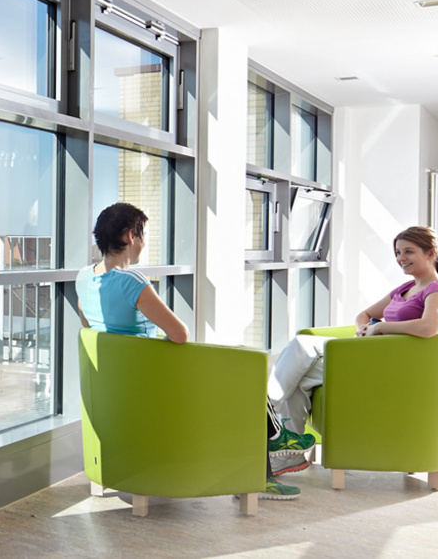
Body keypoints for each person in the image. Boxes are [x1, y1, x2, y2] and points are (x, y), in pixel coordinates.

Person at [76, 202, 311, 500]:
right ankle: (270, 451)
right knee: (244, 376)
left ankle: (273, 441)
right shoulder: (131, 281)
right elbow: (179, 334)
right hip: (153, 386)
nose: (144, 243)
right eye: (143, 234)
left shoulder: (83, 277)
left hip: (118, 388)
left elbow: (88, 327)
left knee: (237, 372)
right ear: (129, 235)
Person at [265, 226, 438, 477]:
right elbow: (363, 315)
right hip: (371, 355)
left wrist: (382, 329)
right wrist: (364, 331)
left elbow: (429, 327)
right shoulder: (405, 288)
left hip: (396, 365)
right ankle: (288, 454)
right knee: (300, 378)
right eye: (398, 252)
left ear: (431, 253)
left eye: (409, 252)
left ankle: (266, 411)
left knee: (302, 345)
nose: (401, 258)